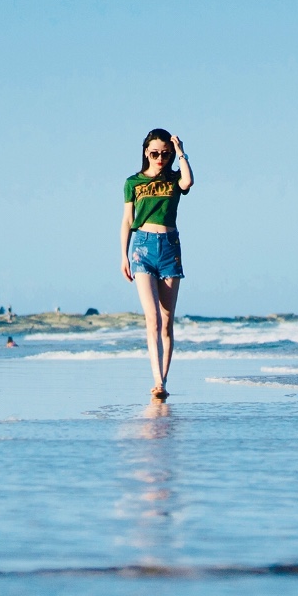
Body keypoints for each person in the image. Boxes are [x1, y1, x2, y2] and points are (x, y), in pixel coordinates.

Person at [120, 128, 192, 405]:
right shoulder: (133, 182)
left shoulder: (174, 179)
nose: (160, 158)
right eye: (154, 153)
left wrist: (182, 151)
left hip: (170, 247)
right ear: (145, 153)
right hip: (142, 247)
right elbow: (127, 220)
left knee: (166, 321)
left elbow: (189, 181)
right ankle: (157, 381)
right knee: (152, 318)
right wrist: (123, 255)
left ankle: (164, 378)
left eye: (165, 154)